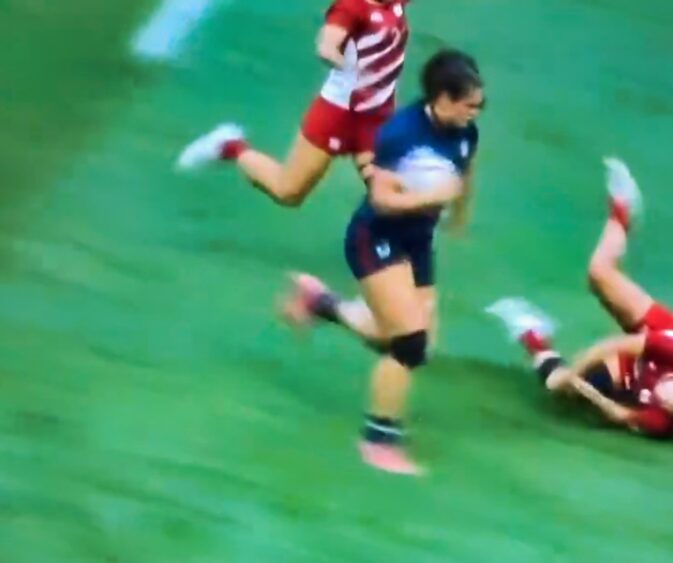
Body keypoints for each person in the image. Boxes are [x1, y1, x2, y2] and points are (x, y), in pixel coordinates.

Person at [279, 49, 485, 475]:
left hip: (417, 239)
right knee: (408, 344)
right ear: (442, 98)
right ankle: (378, 441)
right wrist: (435, 197)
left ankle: (321, 303)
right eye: (468, 104)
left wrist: (459, 217)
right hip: (376, 238)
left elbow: (464, 172)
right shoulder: (400, 134)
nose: (474, 112)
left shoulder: (466, 132)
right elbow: (384, 199)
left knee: (411, 342)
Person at [487, 158, 673, 446]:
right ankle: (623, 208)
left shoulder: (662, 422)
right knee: (599, 273)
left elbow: (622, 416)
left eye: (671, 401)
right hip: (656, 332)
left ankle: (534, 335)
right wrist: (572, 374)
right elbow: (610, 345)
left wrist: (587, 393)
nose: (666, 392)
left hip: (633, 368)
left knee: (556, 387)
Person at [175, 0, 411, 205]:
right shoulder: (351, 8)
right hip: (337, 116)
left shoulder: (394, 4)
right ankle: (231, 146)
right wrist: (339, 60)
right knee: (288, 191)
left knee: (388, 192)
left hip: (376, 119)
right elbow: (327, 44)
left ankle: (387, 248)